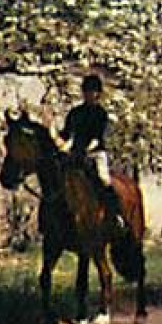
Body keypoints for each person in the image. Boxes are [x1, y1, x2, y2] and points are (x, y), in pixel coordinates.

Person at [60, 74, 127, 231]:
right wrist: (60, 143)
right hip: (75, 153)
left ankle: (116, 215)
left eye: (93, 91)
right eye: (87, 91)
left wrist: (86, 149)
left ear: (98, 94)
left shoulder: (100, 114)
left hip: (95, 153)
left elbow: (98, 137)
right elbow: (67, 134)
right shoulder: (75, 113)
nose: (90, 94)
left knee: (104, 179)